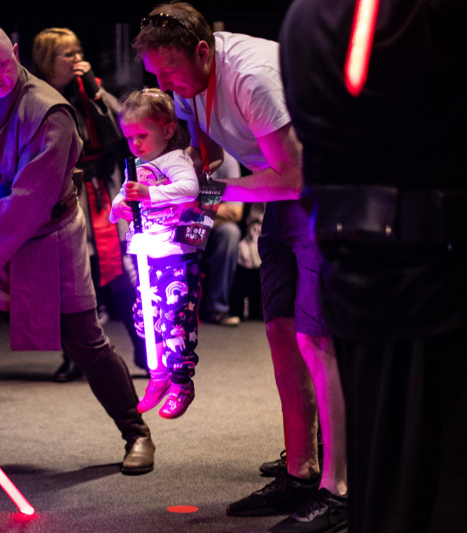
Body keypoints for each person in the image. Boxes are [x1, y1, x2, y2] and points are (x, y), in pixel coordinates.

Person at [0, 24, 155, 493]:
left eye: (3, 64)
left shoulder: (49, 109)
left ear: (17, 53)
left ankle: (136, 431)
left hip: (47, 233)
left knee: (85, 341)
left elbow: (30, 199)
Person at [134, 4, 347, 532]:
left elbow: (295, 176)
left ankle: (338, 489)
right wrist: (169, 191)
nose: (163, 85)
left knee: (317, 340)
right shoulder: (187, 86)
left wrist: (207, 194)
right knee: (281, 328)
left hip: (325, 190)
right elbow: (202, 161)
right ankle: (302, 470)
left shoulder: (251, 77)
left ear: (203, 51)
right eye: (155, 75)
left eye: (169, 72)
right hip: (278, 195)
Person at [279, 0, 466, 531]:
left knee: (385, 467)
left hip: (352, 267)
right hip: (436, 273)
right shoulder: (417, 16)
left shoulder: (302, 17)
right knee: (434, 479)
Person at [31, 27, 147, 381]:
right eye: (68, 54)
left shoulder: (91, 87)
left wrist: (96, 92)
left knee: (122, 273)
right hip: (63, 195)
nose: (77, 58)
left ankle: (144, 351)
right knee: (70, 281)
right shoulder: (34, 96)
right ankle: (74, 357)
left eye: (78, 51)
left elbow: (124, 129)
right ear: (47, 60)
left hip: (102, 191)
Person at [110, 87, 200, 419]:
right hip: (146, 255)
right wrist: (118, 208)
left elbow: (190, 188)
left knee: (175, 321)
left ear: (168, 130)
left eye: (141, 135)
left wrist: (149, 194)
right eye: (129, 137)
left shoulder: (175, 160)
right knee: (146, 318)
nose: (134, 143)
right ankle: (158, 377)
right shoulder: (135, 166)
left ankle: (181, 382)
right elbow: (121, 198)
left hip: (176, 255)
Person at [200, 154, 243, 327]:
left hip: (211, 229)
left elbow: (236, 212)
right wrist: (217, 209)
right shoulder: (183, 157)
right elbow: (180, 210)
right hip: (181, 227)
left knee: (230, 232)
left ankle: (217, 308)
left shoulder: (228, 161)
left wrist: (202, 211)